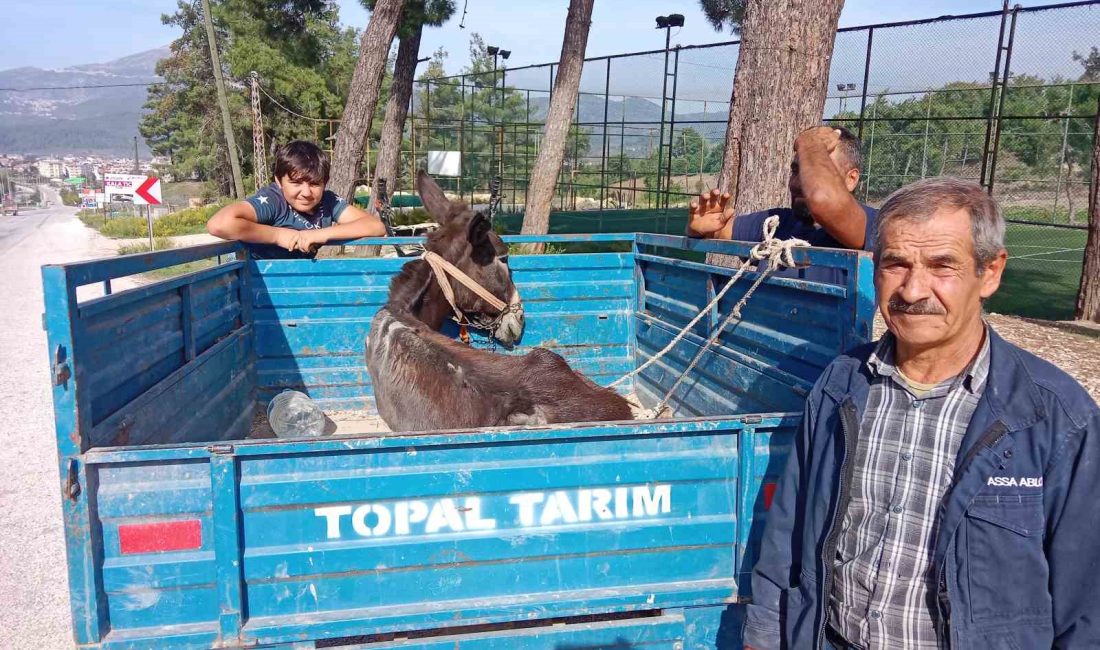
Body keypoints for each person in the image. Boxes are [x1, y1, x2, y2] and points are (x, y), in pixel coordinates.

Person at [742, 177, 1100, 649]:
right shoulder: (842, 384)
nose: (913, 290)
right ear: (874, 271)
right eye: (896, 264)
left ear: (990, 273)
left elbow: (1086, 605)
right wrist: (764, 637)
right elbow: (789, 533)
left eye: (941, 265)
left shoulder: (1054, 418)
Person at [687, 126, 876, 251]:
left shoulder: (874, 224)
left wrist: (810, 143)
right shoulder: (778, 222)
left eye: (816, 172)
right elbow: (719, 231)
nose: (796, 183)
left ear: (851, 179)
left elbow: (822, 199)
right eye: (795, 170)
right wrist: (701, 227)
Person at [207, 140, 385, 258]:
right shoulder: (273, 201)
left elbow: (376, 226)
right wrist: (278, 235)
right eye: (296, 183)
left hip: (295, 285)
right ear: (278, 181)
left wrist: (319, 234)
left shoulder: (328, 202)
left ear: (325, 182)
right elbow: (218, 224)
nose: (306, 192)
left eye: (315, 184)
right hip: (258, 286)